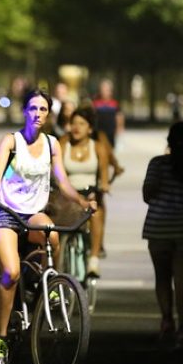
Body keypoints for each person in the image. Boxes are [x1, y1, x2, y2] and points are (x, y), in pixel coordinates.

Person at [0, 89, 94, 364]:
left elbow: (62, 180)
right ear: (24, 111)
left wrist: (82, 201)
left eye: (43, 109)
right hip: (5, 212)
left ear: (49, 113)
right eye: (33, 108)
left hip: (33, 213)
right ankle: (0, 337)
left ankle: (48, 286)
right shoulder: (12, 140)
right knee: (11, 271)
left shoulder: (52, 144)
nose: (38, 114)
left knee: (52, 235)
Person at [142, 121, 183, 349]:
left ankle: (167, 320)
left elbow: (147, 195)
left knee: (162, 278)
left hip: (159, 228)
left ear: (169, 141)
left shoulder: (157, 165)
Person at [58, 105, 110, 273]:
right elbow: (56, 170)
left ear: (90, 128)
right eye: (73, 123)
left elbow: (103, 175)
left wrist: (103, 186)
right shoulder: (63, 143)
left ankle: (94, 258)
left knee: (96, 211)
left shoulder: (98, 146)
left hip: (90, 192)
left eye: (81, 123)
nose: (76, 127)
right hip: (67, 194)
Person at [92, 79, 125, 150]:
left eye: (107, 90)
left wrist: (120, 127)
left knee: (110, 150)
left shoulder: (114, 103)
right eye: (103, 89)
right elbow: (92, 116)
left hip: (111, 132)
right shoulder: (96, 103)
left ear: (111, 92)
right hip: (99, 132)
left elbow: (119, 116)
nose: (105, 92)